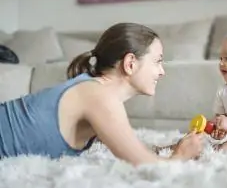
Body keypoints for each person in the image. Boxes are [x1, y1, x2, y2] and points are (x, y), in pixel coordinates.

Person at [0, 23, 203, 165]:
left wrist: (172, 149)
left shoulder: (97, 92)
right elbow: (146, 165)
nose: (162, 71)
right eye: (158, 61)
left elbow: (132, 150)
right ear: (130, 63)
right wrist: (180, 157)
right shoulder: (99, 96)